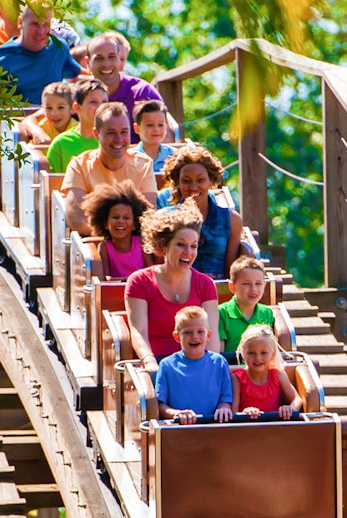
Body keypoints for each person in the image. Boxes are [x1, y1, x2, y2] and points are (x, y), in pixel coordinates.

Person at [125, 202, 220, 372]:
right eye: (181, 244)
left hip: (195, 366)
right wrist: (149, 361)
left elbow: (211, 335)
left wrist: (208, 368)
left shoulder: (206, 285)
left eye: (193, 246)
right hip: (156, 365)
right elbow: (139, 331)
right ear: (164, 246)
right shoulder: (139, 281)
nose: (188, 252)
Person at [62, 102, 158, 235]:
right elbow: (78, 220)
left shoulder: (143, 165)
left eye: (124, 132)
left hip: (133, 245)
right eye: (111, 133)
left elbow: (147, 216)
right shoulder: (79, 166)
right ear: (96, 134)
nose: (119, 139)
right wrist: (116, 236)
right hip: (93, 246)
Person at [160, 145, 243, 279]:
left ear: (211, 180)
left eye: (200, 180)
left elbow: (231, 271)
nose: (193, 187)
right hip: (179, 293)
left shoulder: (232, 220)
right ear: (177, 183)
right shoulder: (165, 219)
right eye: (186, 181)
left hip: (218, 291)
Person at [156, 306, 234, 424]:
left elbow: (226, 399)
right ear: (177, 337)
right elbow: (160, 406)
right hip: (179, 428)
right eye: (187, 332)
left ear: (208, 335)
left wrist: (224, 407)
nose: (194, 336)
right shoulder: (167, 365)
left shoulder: (219, 362)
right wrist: (177, 413)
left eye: (200, 332)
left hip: (213, 427)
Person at [0, 6, 81, 105]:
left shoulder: (58, 48)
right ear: (20, 22)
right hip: (17, 119)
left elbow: (76, 78)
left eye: (46, 24)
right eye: (35, 24)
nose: (41, 32)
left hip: (54, 118)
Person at [87, 34, 162, 143]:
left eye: (112, 57)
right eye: (99, 58)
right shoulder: (81, 96)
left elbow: (165, 137)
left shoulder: (142, 92)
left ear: (120, 59)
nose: (107, 64)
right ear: (88, 62)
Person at [81, 182, 154, 278]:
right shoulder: (104, 247)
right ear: (105, 224)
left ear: (135, 224)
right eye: (115, 217)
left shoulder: (142, 243)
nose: (120, 221)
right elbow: (106, 278)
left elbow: (151, 272)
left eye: (126, 218)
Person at [231, 323, 302, 420]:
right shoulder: (237, 378)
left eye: (263, 353)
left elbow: (297, 399)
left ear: (272, 354)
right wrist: (245, 413)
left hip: (274, 428)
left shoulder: (278, 374)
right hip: (248, 430)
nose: (258, 358)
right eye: (251, 353)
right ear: (243, 354)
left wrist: (289, 409)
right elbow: (233, 412)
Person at [46, 80, 107, 173]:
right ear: (77, 108)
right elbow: (53, 182)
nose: (100, 107)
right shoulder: (61, 143)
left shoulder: (112, 140)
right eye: (93, 102)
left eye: (104, 102)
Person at [219, 257, 276, 355]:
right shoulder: (221, 313)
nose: (253, 289)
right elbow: (219, 353)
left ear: (264, 285)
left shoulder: (267, 313)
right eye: (246, 284)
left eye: (258, 284)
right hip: (232, 368)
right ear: (232, 287)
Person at [130, 99, 176, 172]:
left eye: (160, 125)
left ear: (166, 127)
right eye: (150, 125)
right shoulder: (130, 158)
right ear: (137, 128)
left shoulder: (174, 156)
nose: (156, 129)